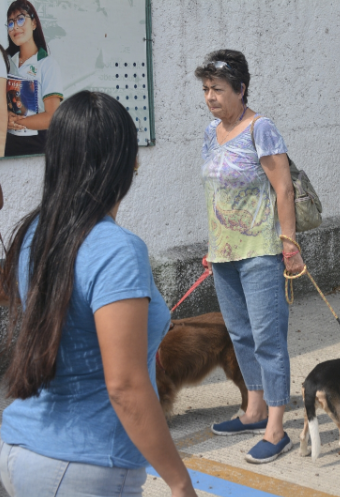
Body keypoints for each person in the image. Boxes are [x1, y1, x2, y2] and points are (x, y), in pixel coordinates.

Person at [0, 92, 196, 496]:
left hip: (17, 447)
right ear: (125, 163)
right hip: (83, 466)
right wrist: (179, 481)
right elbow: (124, 385)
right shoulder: (116, 248)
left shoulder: (35, 232)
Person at [195, 49, 302, 463]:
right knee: (240, 334)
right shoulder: (210, 132)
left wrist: (288, 243)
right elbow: (214, 192)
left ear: (241, 89)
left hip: (260, 250)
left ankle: (277, 428)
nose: (210, 97)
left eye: (218, 89)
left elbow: (284, 189)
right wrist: (213, 246)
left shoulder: (262, 128)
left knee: (268, 338)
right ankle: (254, 409)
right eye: (205, 89)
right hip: (223, 253)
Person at [4, 0, 63, 157]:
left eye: (20, 19)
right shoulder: (6, 62)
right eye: (10, 23)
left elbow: (52, 117)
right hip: (8, 145)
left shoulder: (47, 64)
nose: (15, 26)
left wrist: (17, 122)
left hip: (37, 148)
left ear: (34, 23)